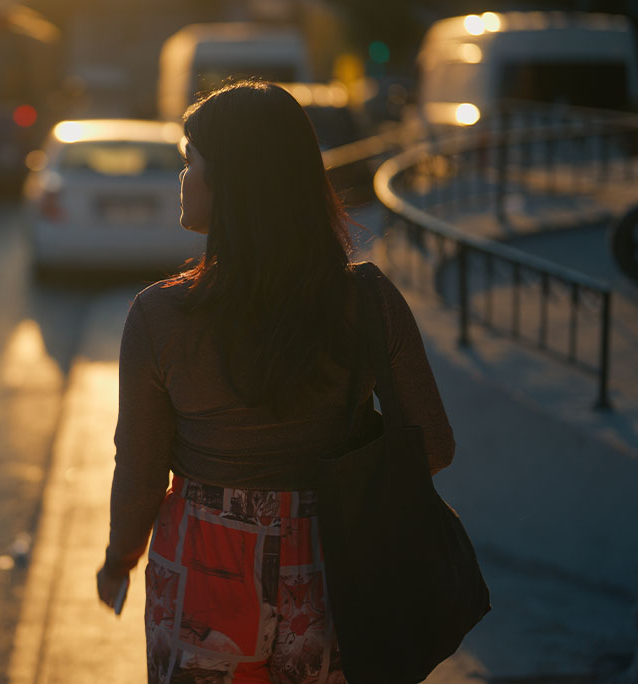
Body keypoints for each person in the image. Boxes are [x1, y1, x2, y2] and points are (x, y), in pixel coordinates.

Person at [96, 80, 455, 684]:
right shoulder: (367, 302)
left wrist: (118, 559)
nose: (182, 178)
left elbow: (139, 470)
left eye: (191, 162)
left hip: (203, 576)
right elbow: (435, 447)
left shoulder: (161, 317)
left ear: (232, 181)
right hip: (333, 566)